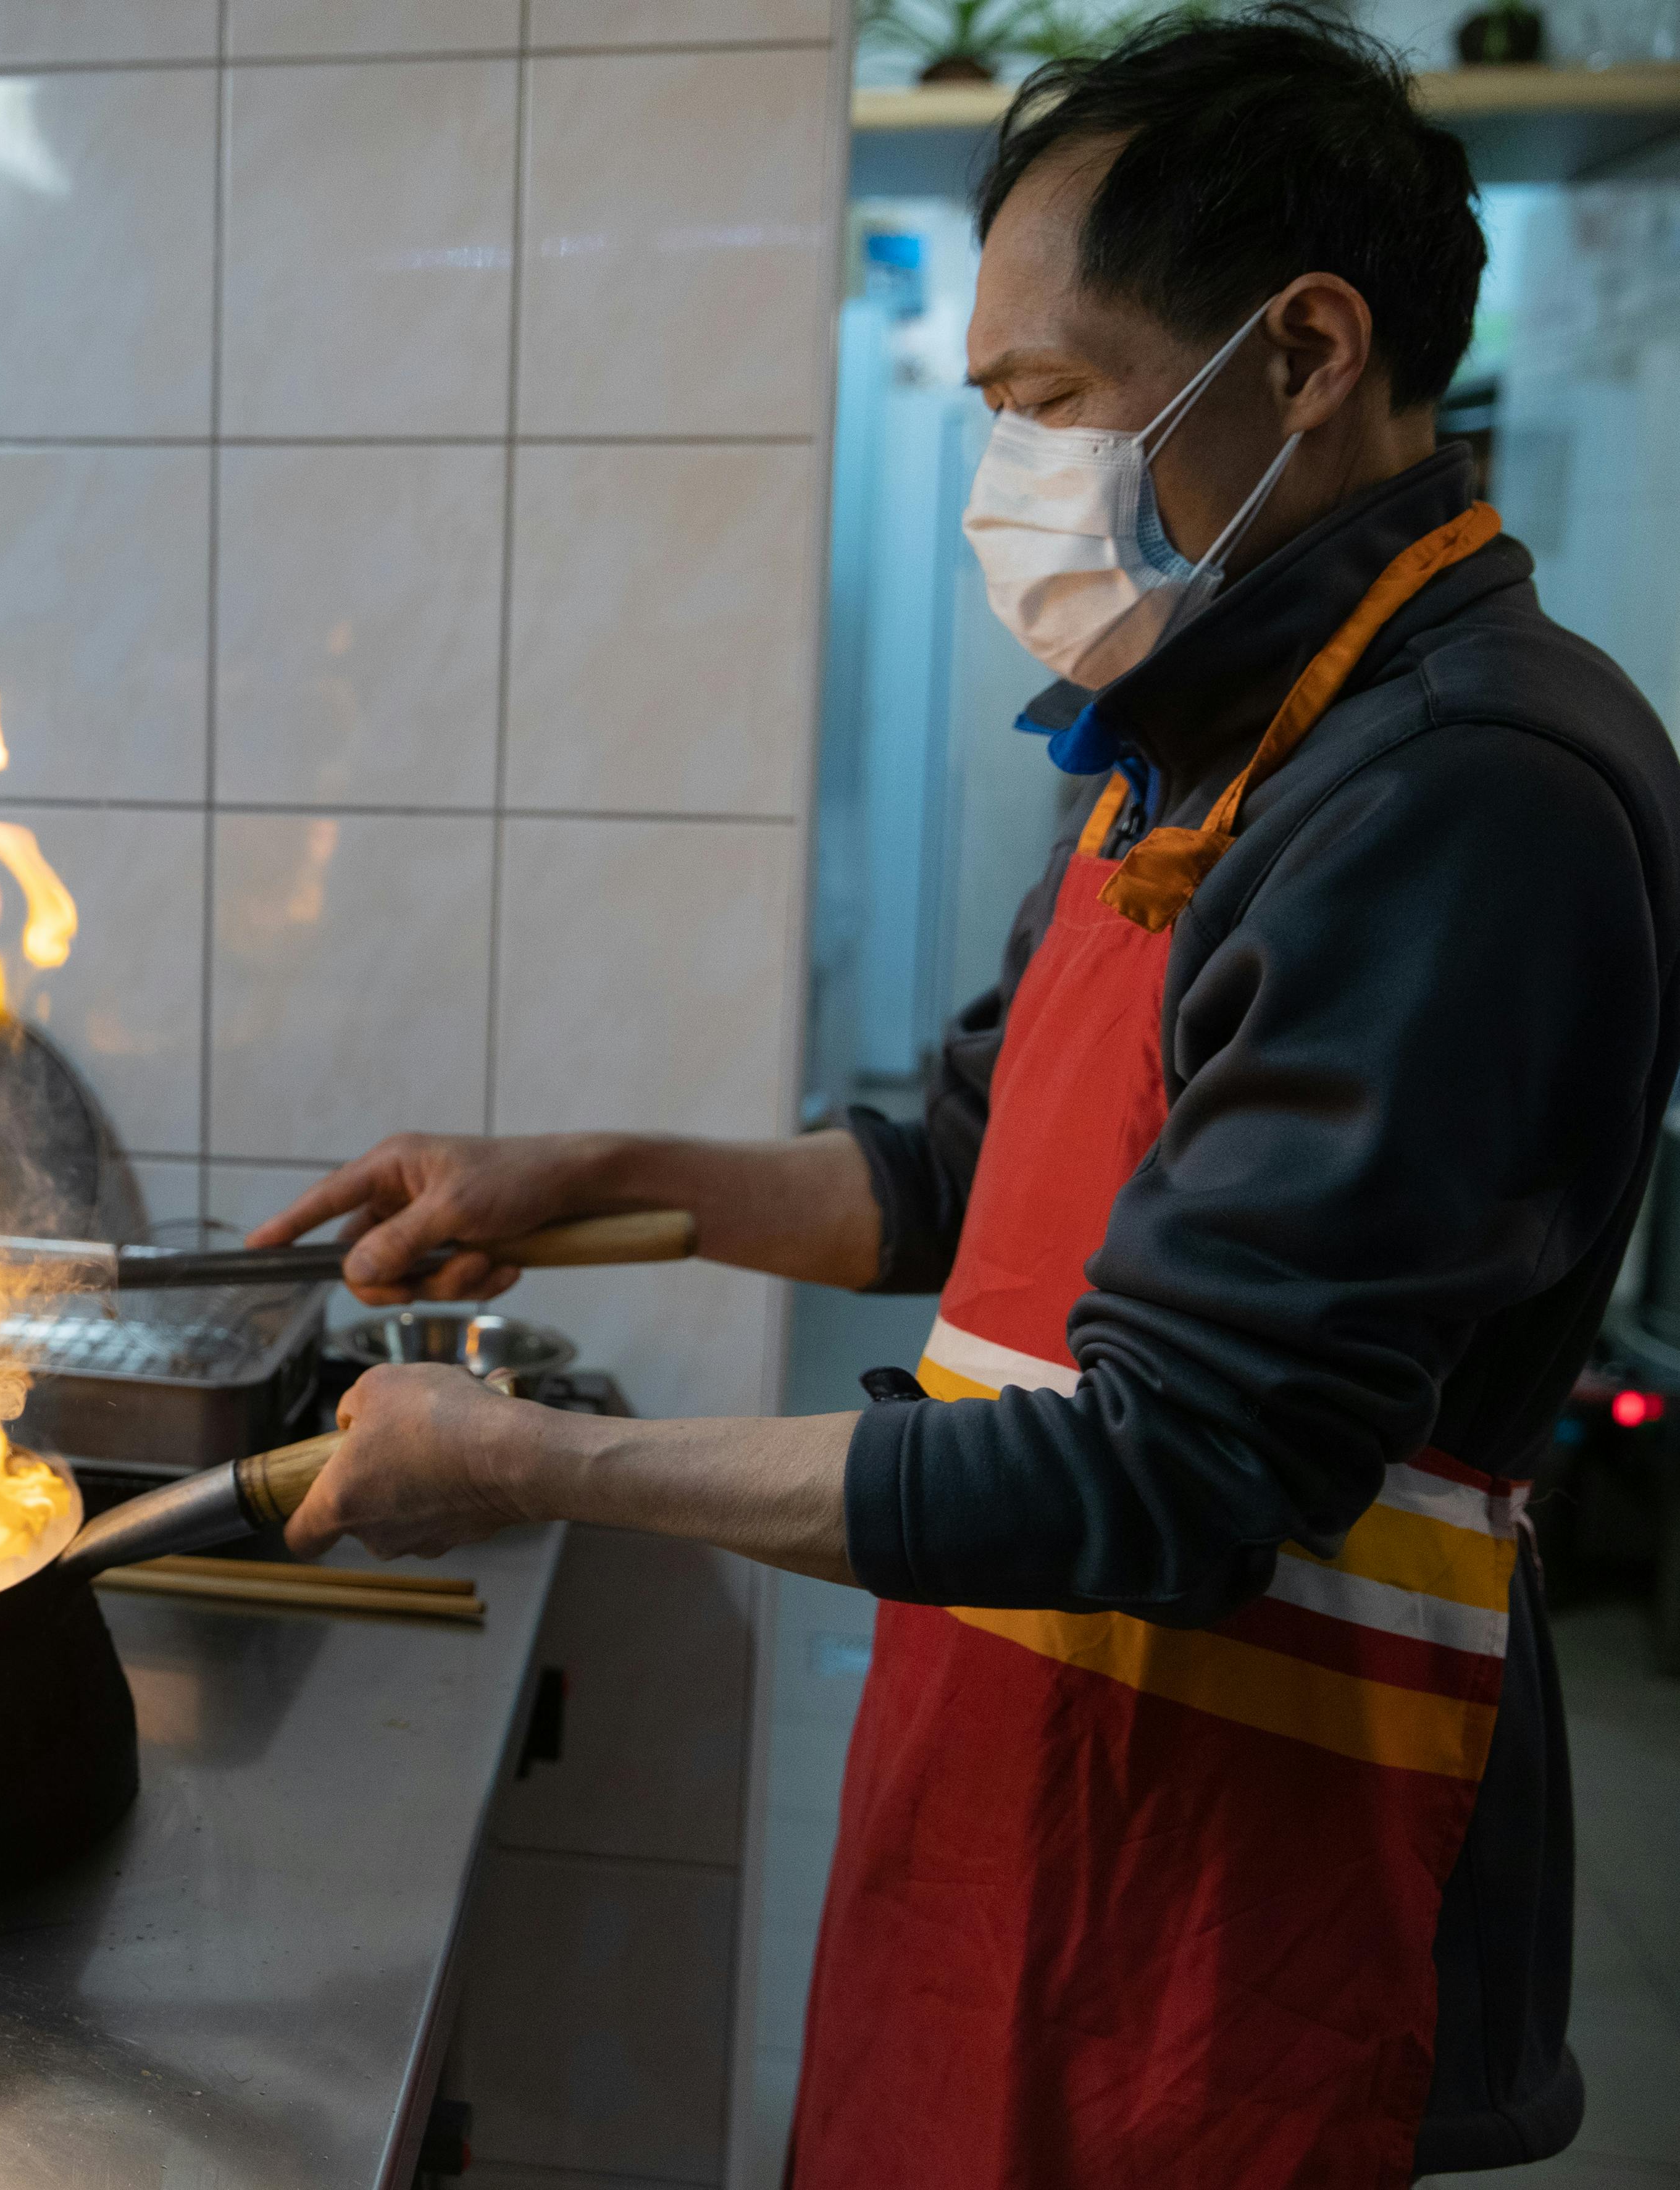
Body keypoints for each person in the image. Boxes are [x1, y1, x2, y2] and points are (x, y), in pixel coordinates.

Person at [249, 12, 1680, 2185]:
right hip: (1025, 1752)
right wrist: (588, 1176)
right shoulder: (1213, 730)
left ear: (1305, 350)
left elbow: (1176, 1471)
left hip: (1235, 1870)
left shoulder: (1468, 794)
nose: (1010, 468)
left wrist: (538, 1454)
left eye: (1051, 401)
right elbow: (948, 1176)